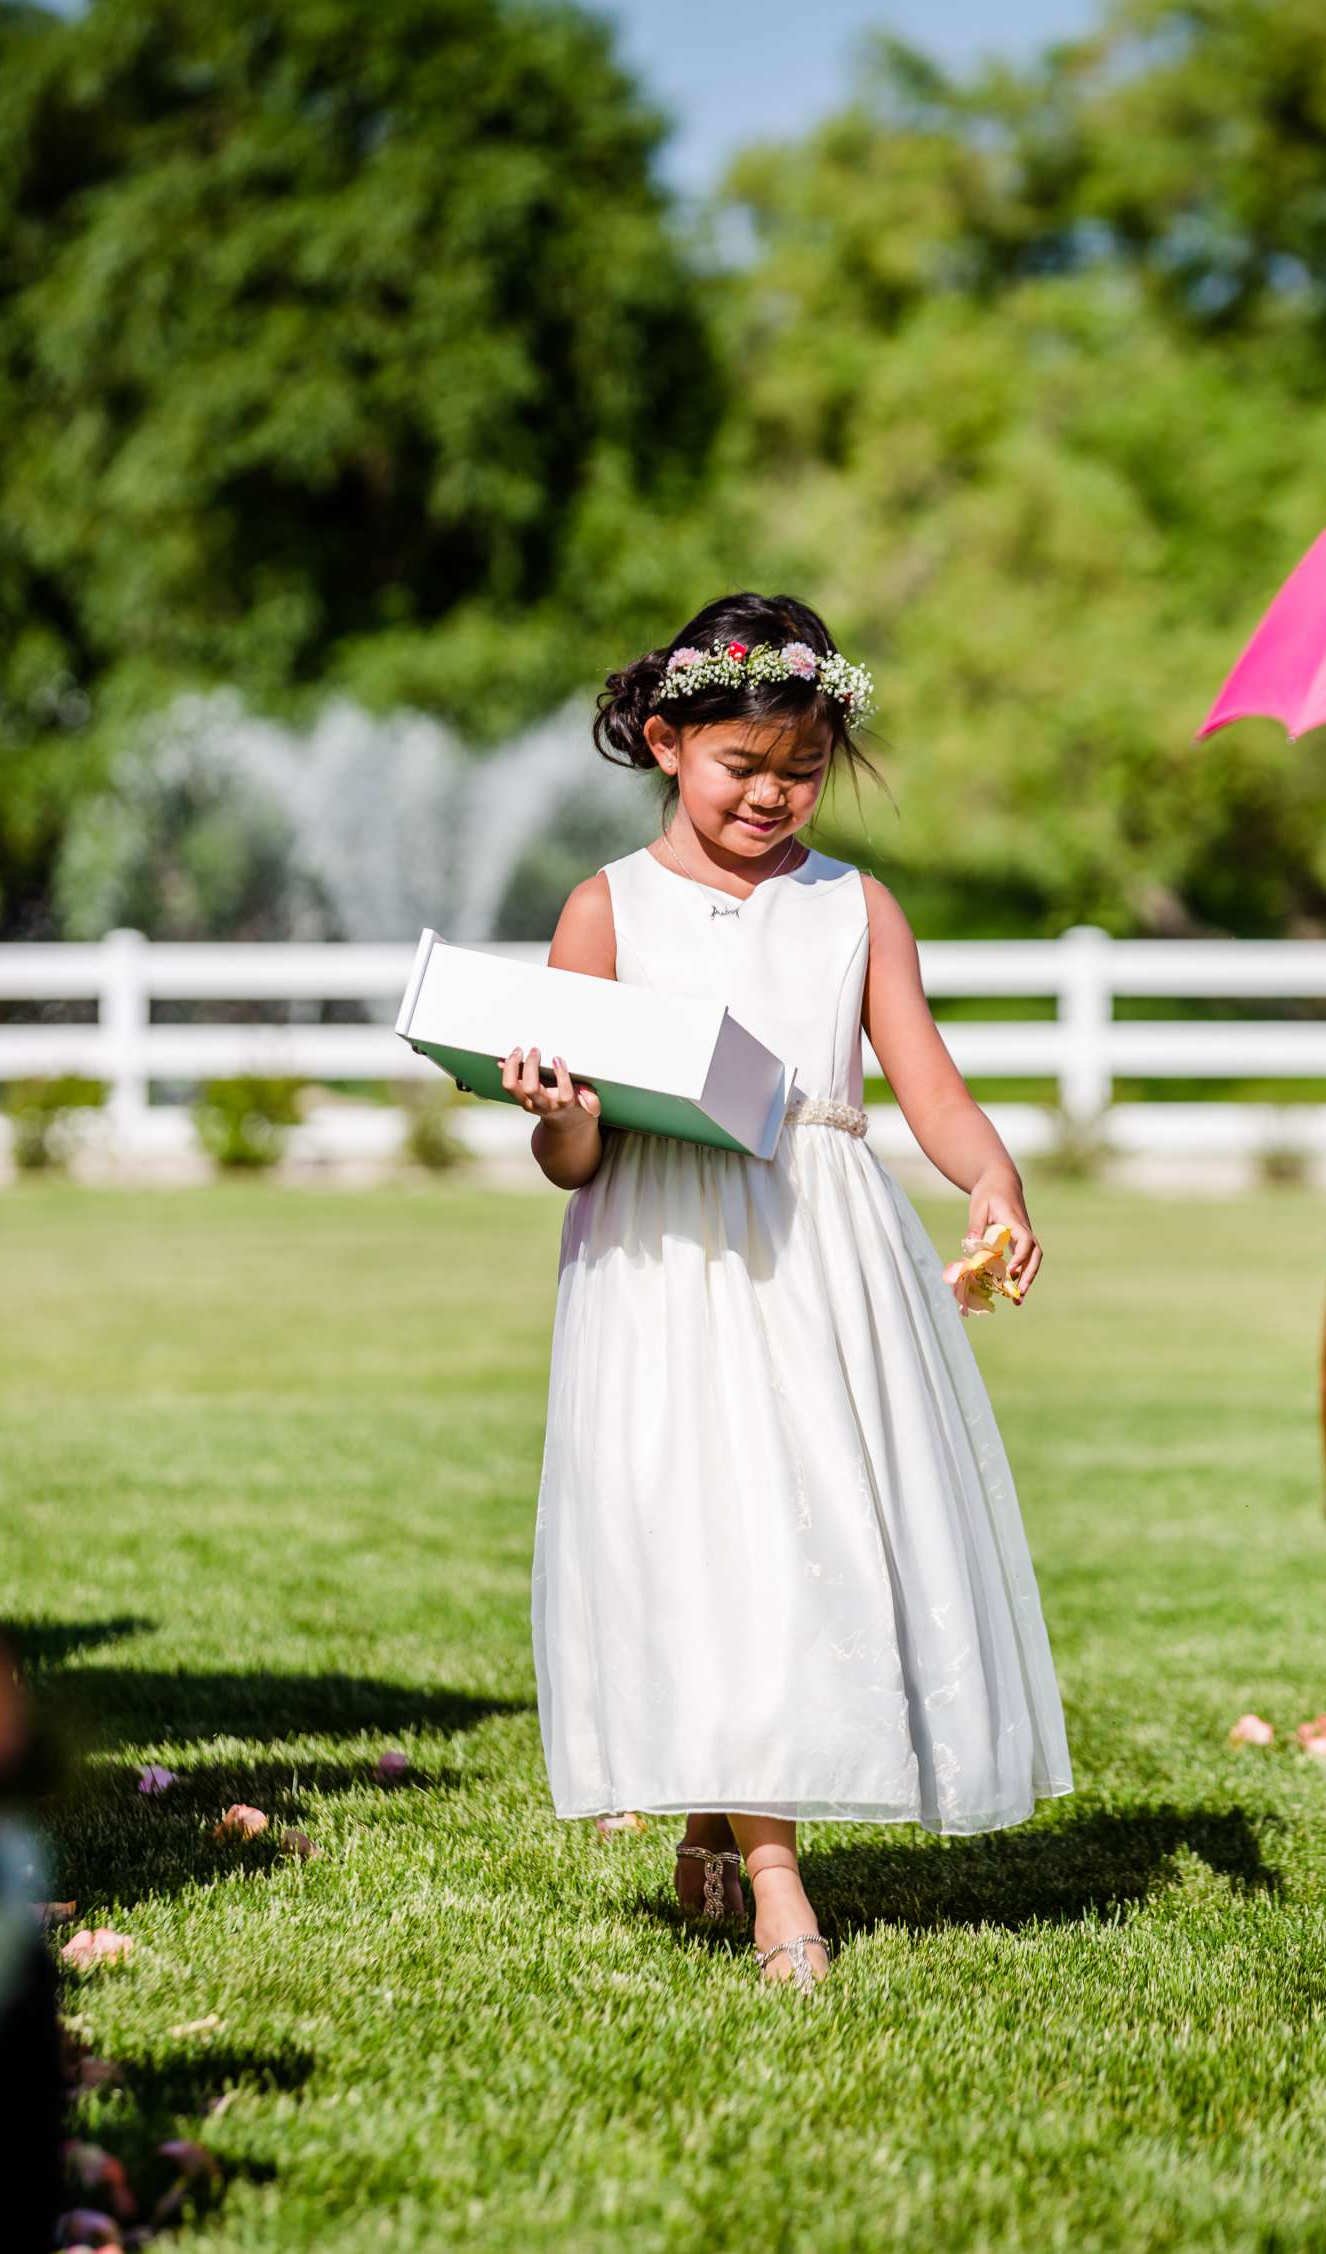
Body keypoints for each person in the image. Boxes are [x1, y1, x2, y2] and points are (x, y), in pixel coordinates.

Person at [506, 591, 1072, 1993]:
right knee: (709, 1536)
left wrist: (990, 1180)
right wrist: (557, 1106)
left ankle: (724, 1818)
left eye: (800, 770)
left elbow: (923, 1079)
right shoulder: (606, 910)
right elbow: (573, 1160)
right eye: (740, 767)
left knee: (800, 1526)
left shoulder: (854, 908)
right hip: (663, 1257)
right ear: (663, 743)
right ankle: (777, 1883)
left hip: (817, 1243)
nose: (771, 795)